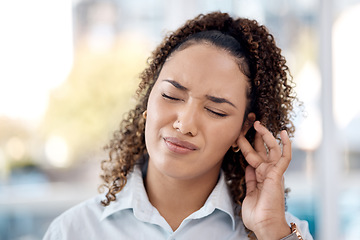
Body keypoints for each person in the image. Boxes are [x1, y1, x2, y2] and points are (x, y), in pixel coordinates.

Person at [44, 12, 313, 240]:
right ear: (148, 99)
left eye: (215, 110)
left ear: (242, 130)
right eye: (171, 96)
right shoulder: (73, 231)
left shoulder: (283, 231)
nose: (184, 124)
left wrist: (270, 231)